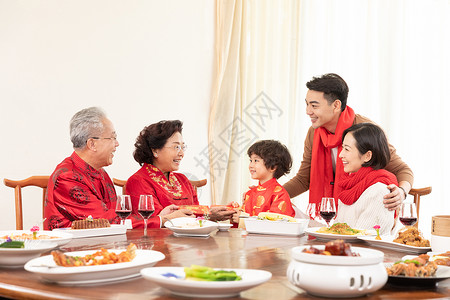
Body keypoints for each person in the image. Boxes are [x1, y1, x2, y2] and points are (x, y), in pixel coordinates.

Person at [283, 73, 413, 213]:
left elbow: (402, 170)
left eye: (314, 106)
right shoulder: (314, 133)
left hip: (364, 211)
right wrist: (272, 194)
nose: (308, 111)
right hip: (330, 211)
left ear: (336, 105)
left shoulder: (365, 129)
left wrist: (401, 192)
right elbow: (304, 179)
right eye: (307, 104)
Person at [126, 120, 235, 228]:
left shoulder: (183, 179)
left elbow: (196, 217)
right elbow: (155, 221)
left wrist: (210, 215)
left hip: (189, 241)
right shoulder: (138, 181)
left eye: (182, 147)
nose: (181, 154)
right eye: (176, 147)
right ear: (155, 151)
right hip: (160, 243)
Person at [44, 107, 120, 230]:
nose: (117, 144)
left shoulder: (99, 171)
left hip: (102, 244)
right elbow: (106, 221)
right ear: (92, 144)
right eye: (112, 138)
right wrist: (157, 219)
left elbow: (117, 216)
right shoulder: (67, 177)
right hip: (74, 248)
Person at [335, 123, 398, 234]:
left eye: (347, 149)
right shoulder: (349, 184)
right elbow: (336, 231)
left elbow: (365, 239)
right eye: (342, 148)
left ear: (367, 156)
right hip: (344, 249)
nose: (340, 155)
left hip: (366, 251)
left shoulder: (380, 191)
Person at [232, 140, 295, 223]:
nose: (251, 165)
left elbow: (276, 224)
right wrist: (234, 213)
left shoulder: (280, 195)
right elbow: (241, 225)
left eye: (256, 161)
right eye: (251, 160)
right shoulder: (250, 194)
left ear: (273, 167)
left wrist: (243, 220)